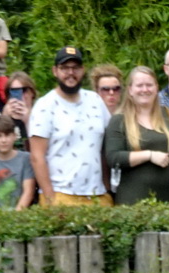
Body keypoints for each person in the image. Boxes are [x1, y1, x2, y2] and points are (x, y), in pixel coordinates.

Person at [29, 47, 112, 207]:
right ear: (55, 71)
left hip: (98, 195)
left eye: (75, 68)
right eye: (64, 68)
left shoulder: (95, 100)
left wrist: (107, 187)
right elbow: (36, 157)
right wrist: (50, 198)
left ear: (83, 70)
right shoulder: (44, 106)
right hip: (61, 194)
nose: (70, 73)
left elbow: (105, 147)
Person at [104, 66, 169, 205]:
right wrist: (149, 155)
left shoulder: (168, 115)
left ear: (156, 87)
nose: (145, 90)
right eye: (139, 85)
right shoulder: (119, 120)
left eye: (149, 85)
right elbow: (113, 158)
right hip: (134, 201)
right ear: (130, 90)